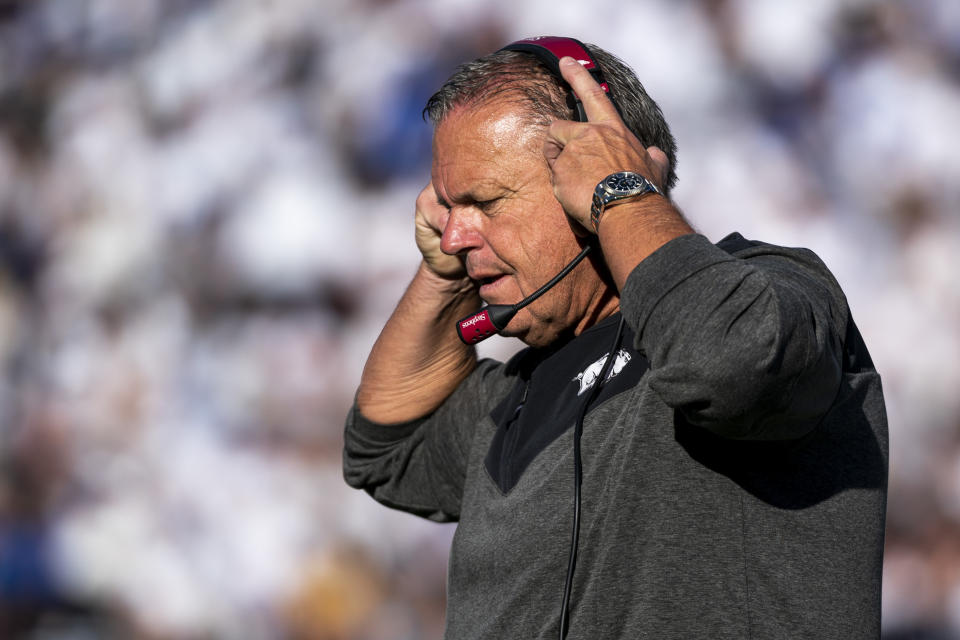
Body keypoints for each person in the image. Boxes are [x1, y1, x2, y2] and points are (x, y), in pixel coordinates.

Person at [343, 38, 888, 640]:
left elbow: (727, 364)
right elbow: (388, 446)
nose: (452, 236)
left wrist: (623, 193)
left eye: (487, 201)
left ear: (595, 169)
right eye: (450, 208)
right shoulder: (520, 392)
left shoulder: (775, 288)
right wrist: (443, 278)